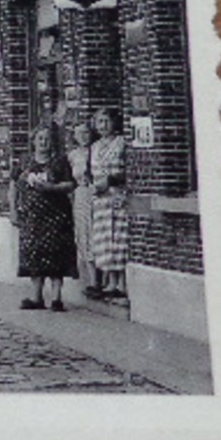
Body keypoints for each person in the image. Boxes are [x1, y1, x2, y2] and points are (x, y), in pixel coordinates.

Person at [11, 125, 77, 312]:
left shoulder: (59, 162)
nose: (43, 142)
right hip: (32, 216)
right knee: (34, 254)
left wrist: (52, 188)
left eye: (47, 139)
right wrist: (14, 210)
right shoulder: (25, 162)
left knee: (57, 253)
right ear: (33, 141)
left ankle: (56, 298)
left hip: (56, 215)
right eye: (40, 139)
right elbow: (13, 186)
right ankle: (36, 296)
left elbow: (70, 184)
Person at [90, 108, 130, 302]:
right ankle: (111, 281)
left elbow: (129, 171)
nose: (103, 126)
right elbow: (92, 172)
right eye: (99, 122)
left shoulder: (121, 142)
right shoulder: (95, 147)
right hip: (101, 199)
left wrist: (112, 180)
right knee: (105, 240)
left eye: (106, 121)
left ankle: (122, 282)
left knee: (119, 238)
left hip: (117, 195)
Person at [67, 118, 101, 300]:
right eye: (79, 133)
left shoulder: (98, 150)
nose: (83, 137)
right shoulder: (73, 156)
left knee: (98, 234)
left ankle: (101, 280)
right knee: (84, 235)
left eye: (86, 132)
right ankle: (90, 280)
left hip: (96, 193)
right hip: (80, 196)